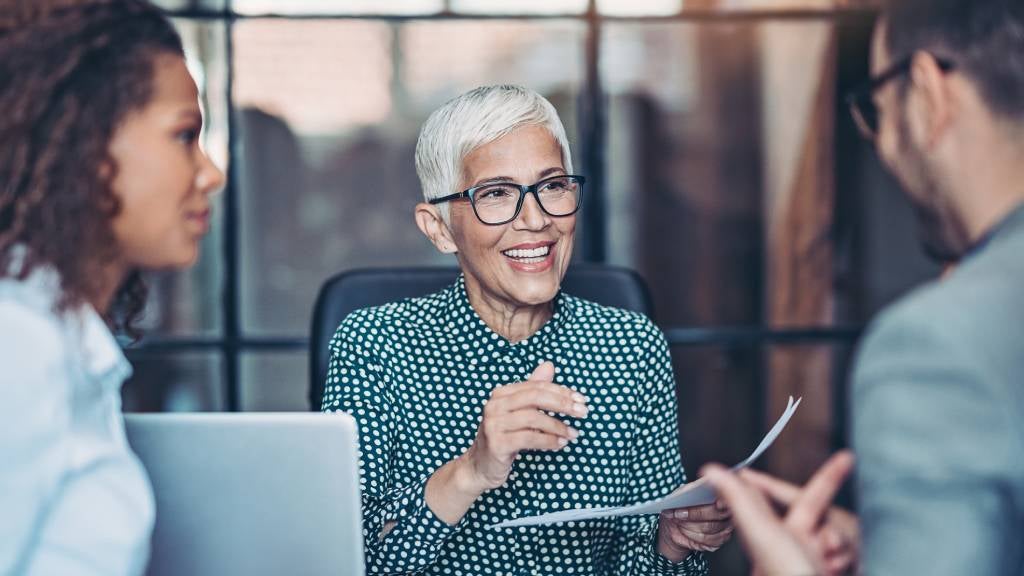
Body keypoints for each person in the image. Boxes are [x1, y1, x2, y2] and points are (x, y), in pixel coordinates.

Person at [321, 85, 733, 575]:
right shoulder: (374, 346)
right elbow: (343, 561)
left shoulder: (632, 346)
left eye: (553, 186)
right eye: (496, 194)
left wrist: (671, 547)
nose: (536, 219)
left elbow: (641, 567)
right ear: (439, 228)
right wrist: (468, 472)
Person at [702, 0, 1024, 574]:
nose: (882, 146)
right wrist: (897, 538)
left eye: (876, 111)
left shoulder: (936, 344)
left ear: (926, 94)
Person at [0, 1, 224, 573]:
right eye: (183, 136)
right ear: (84, 145)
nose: (211, 174)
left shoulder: (65, 335)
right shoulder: (19, 345)